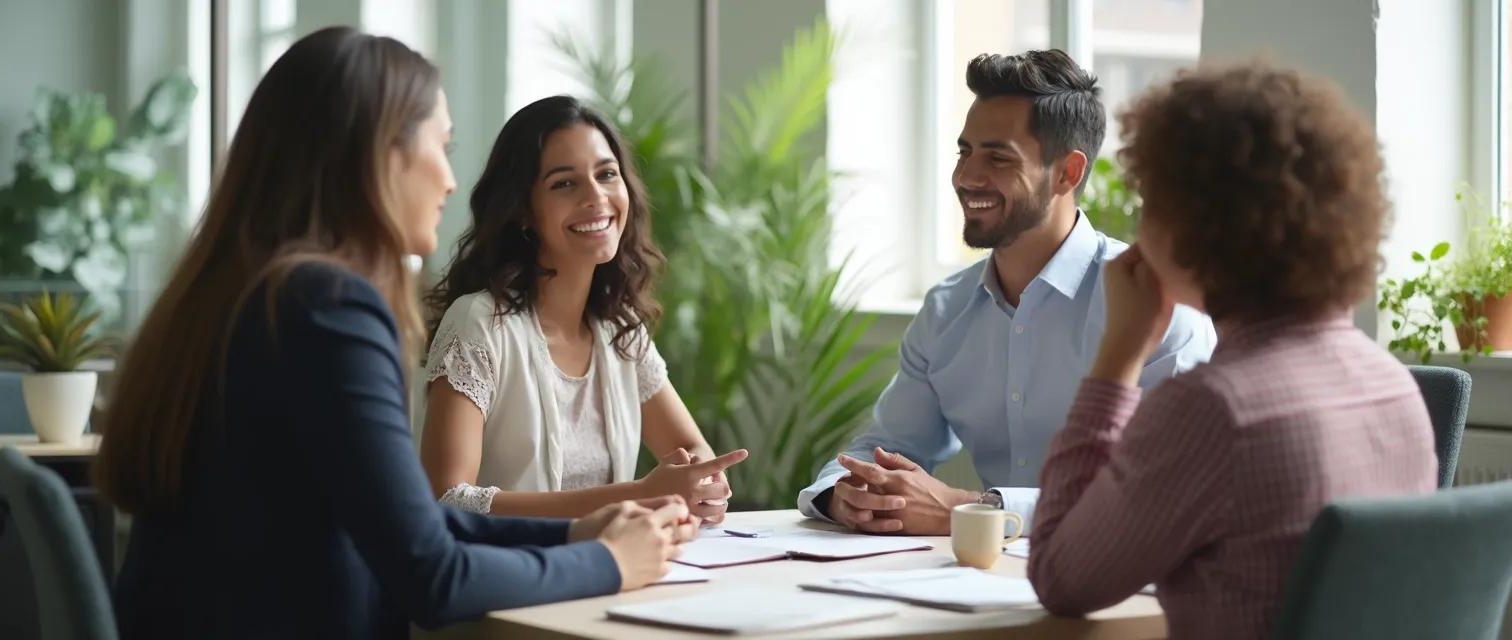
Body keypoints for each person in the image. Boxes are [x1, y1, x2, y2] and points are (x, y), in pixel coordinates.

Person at [94, 28, 692, 640]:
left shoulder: (246, 293)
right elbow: (432, 576)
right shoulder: (327, 309)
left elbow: (409, 526)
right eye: (441, 146)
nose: (450, 181)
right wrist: (608, 562)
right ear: (379, 156)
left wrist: (573, 534)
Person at [1026, 61, 1437, 639]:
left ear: (1193, 228)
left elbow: (1061, 578)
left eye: (1151, 205)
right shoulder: (1395, 386)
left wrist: (1119, 355)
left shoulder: (1214, 410)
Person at [797, 50, 1215, 535]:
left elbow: (1165, 490)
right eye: (965, 153)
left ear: (1067, 173)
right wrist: (845, 494)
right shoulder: (947, 309)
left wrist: (975, 509)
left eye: (997, 158)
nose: (966, 177)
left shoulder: (1156, 306)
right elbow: (885, 447)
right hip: (980, 574)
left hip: (1122, 573)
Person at [421, 95, 746, 523]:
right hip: (511, 566)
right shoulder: (478, 324)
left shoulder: (620, 330)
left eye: (607, 174)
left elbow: (694, 450)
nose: (596, 197)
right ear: (522, 210)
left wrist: (701, 483)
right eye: (564, 183)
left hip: (617, 562)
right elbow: (447, 499)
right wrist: (637, 496)